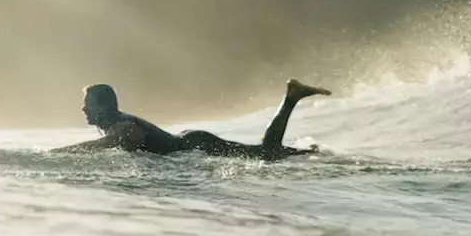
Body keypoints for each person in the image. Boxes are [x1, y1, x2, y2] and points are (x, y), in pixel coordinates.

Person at [51, 79, 331, 160]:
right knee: (264, 154)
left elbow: (124, 139)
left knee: (266, 155)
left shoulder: (121, 125)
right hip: (190, 142)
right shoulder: (114, 124)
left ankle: (292, 98)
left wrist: (60, 155)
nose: (83, 110)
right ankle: (303, 148)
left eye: (87, 104)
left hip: (198, 146)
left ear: (103, 106)